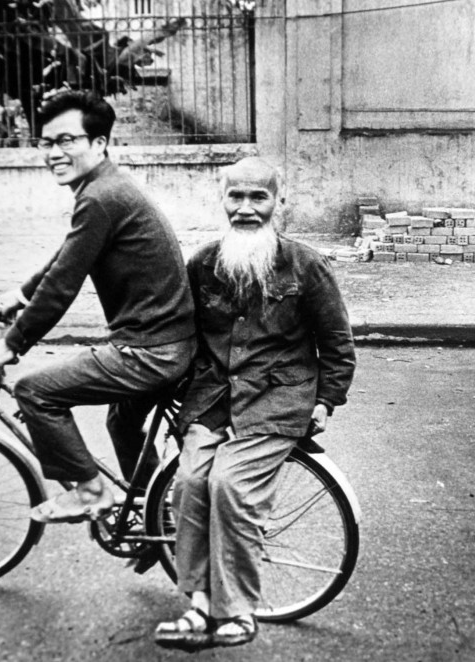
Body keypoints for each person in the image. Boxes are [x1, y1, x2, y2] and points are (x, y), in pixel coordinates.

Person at [153, 157, 356, 651]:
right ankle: (199, 605)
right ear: (222, 201)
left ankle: (237, 610)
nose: (246, 208)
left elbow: (337, 343)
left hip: (277, 400)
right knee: (189, 484)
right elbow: (185, 335)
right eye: (235, 197)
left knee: (230, 485)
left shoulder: (307, 265)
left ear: (278, 203)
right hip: (212, 399)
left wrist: (327, 400)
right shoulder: (203, 264)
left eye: (258, 197)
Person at [0, 90, 196, 522]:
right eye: (46, 143)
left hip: (149, 352)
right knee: (121, 423)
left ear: (99, 144)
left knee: (34, 391)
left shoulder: (100, 197)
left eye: (67, 141)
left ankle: (90, 491)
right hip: (170, 343)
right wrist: (21, 296)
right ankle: (160, 520)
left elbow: (64, 283)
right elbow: (71, 254)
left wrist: (13, 343)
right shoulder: (106, 187)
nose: (55, 153)